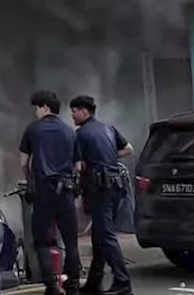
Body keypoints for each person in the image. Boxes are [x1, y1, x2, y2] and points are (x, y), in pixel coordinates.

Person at [19, 90, 84, 295]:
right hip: (65, 191)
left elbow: (24, 162)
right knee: (70, 239)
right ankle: (73, 284)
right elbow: (79, 165)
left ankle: (52, 285)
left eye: (37, 108)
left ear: (45, 107)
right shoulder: (69, 131)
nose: (36, 112)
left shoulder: (33, 130)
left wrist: (29, 181)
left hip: (43, 192)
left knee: (43, 240)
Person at [70, 95, 133, 295]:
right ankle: (93, 283)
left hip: (100, 189)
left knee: (105, 235)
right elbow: (128, 148)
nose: (72, 115)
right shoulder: (109, 128)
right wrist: (107, 158)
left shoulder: (81, 134)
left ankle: (123, 283)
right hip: (115, 186)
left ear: (85, 112)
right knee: (99, 236)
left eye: (74, 111)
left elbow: (78, 166)